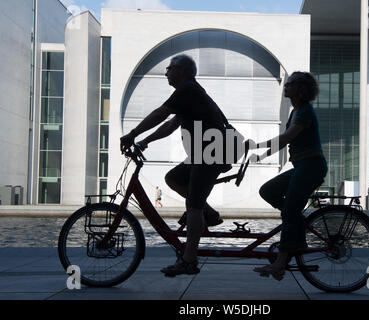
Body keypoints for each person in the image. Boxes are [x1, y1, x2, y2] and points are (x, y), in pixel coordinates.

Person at [120, 54, 230, 277]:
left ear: (182, 70)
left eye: (169, 68)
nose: (166, 72)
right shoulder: (189, 93)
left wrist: (132, 134)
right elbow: (171, 125)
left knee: (194, 206)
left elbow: (161, 114)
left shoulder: (188, 89)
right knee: (173, 178)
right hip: (205, 153)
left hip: (211, 154)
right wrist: (144, 142)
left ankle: (189, 260)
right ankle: (208, 214)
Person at [249, 71, 328, 281]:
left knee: (290, 210)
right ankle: (296, 228)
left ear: (300, 89)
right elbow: (284, 141)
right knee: (268, 191)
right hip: (302, 166)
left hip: (311, 166)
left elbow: (287, 137)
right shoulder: (296, 112)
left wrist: (258, 146)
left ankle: (280, 264)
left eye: (290, 83)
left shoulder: (305, 111)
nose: (286, 86)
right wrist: (260, 155)